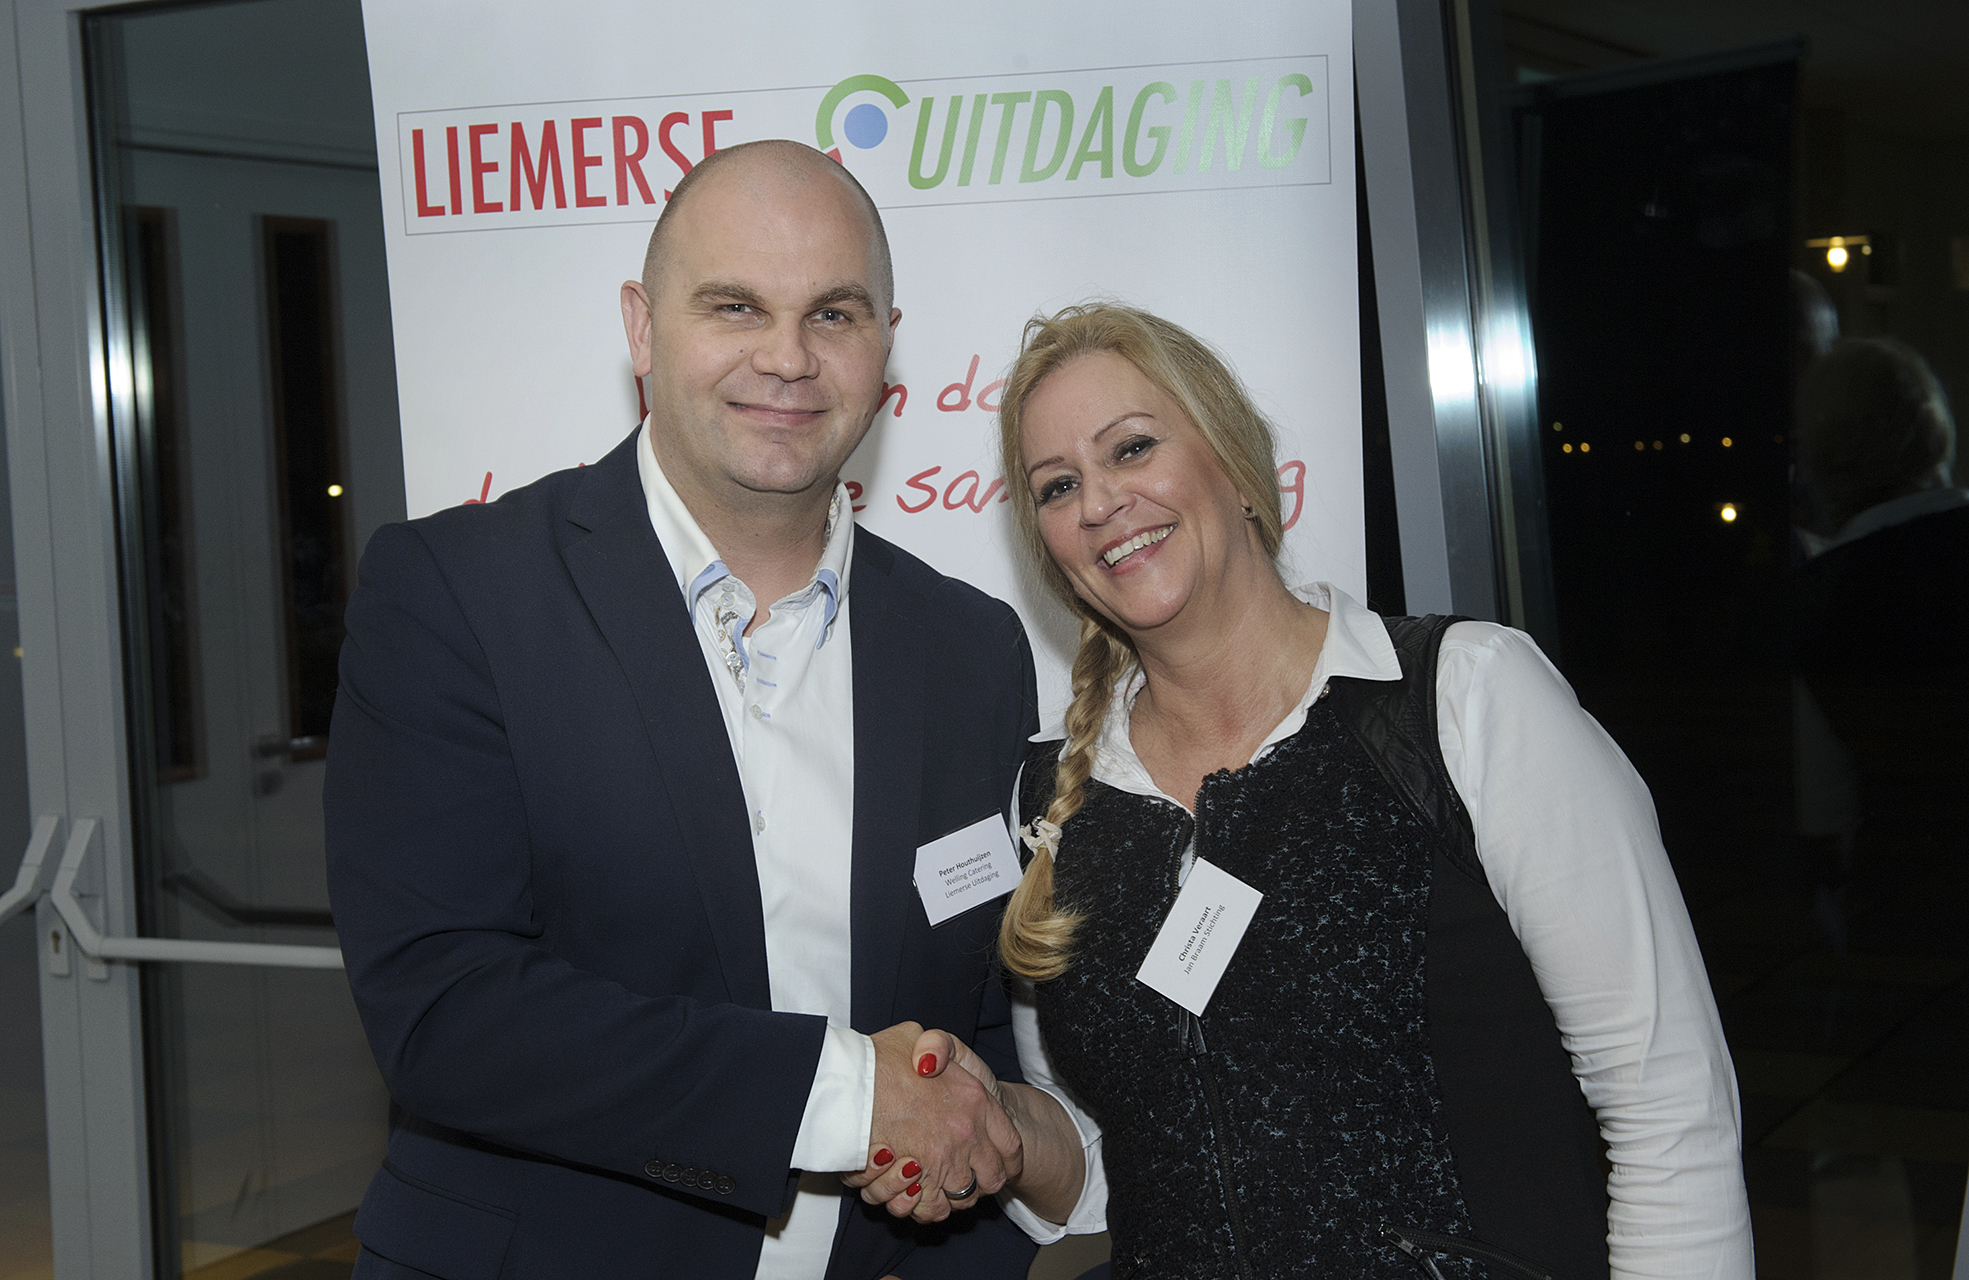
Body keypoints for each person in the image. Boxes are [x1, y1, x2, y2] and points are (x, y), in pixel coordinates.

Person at [850, 305, 1753, 1278]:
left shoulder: (1463, 698)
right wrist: (995, 1119)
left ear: (1236, 464)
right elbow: (1113, 1166)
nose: (1100, 500)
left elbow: (1670, 1107)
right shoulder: (1051, 806)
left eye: (1133, 447)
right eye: (1058, 485)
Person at [325, 140, 1038, 1280]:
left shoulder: (969, 647)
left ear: (884, 343)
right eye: (735, 305)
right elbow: (444, 1009)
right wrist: (847, 1099)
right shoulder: (457, 592)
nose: (788, 357)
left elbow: (975, 1027)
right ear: (642, 327)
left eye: (834, 313)